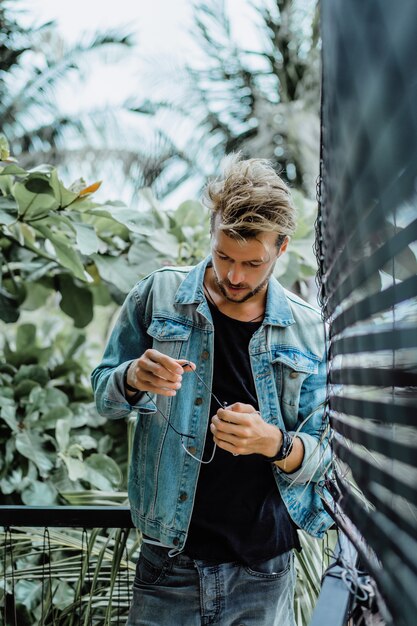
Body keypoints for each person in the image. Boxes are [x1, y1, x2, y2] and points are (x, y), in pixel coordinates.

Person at [91, 155, 332, 626]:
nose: (234, 276)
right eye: (224, 256)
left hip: (263, 572)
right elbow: (104, 393)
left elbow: (329, 456)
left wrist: (275, 444)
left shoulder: (308, 329)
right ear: (212, 231)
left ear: (281, 248)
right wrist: (133, 379)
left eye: (251, 263)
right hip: (168, 564)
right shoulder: (157, 296)